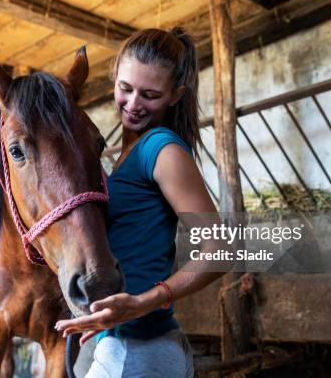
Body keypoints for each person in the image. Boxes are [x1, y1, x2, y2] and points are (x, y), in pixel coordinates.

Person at [55, 28, 225, 377]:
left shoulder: (162, 149)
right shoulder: (127, 152)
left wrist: (142, 302)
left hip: (140, 346)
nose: (133, 104)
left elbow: (220, 249)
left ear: (175, 95)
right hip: (121, 343)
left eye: (150, 95)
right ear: (113, 75)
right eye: (125, 89)